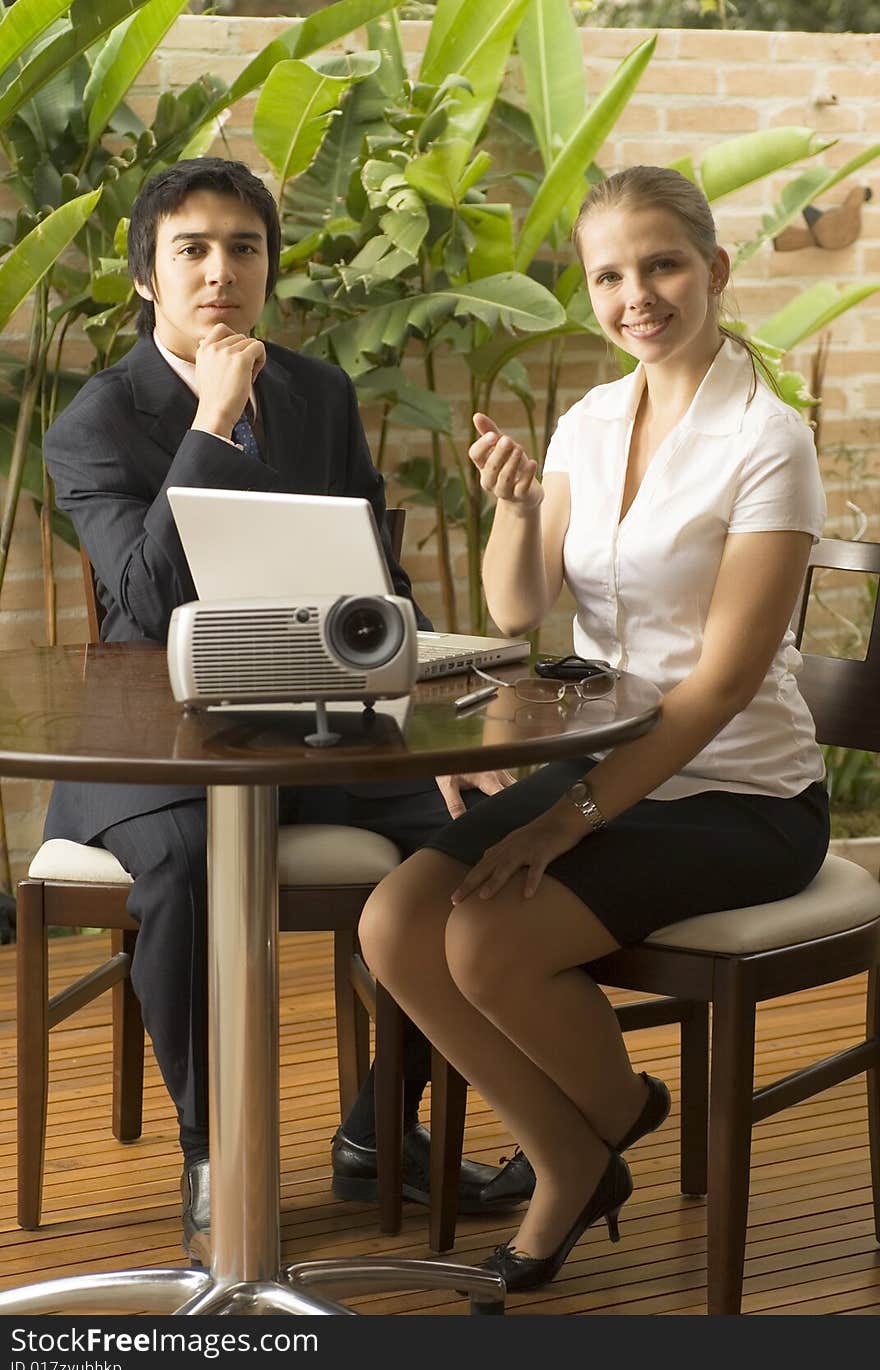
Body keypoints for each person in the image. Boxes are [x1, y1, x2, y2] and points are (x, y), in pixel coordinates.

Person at [41, 158, 535, 1264]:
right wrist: (211, 420)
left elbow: (375, 583)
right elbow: (148, 596)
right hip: (151, 742)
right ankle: (213, 1147)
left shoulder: (315, 393)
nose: (222, 271)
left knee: (474, 848)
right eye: (193, 249)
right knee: (179, 864)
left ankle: (375, 1130)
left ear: (270, 265)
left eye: (245, 247)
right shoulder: (97, 420)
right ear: (144, 278)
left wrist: (438, 733)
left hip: (323, 724)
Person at [358, 165, 830, 1291]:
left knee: (482, 938)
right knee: (395, 920)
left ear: (713, 270)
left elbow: (715, 691)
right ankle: (586, 1137)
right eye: (610, 273)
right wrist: (517, 510)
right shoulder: (588, 414)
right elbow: (520, 609)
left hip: (743, 793)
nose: (638, 294)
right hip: (612, 761)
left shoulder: (769, 440)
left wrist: (562, 820)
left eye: (662, 264)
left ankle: (581, 1149)